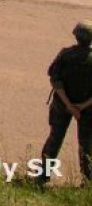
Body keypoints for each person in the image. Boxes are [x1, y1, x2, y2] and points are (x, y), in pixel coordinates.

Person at [38, 21, 92, 184]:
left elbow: (55, 79)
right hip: (88, 109)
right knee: (87, 146)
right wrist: (81, 106)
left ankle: (42, 177)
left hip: (62, 105)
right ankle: (87, 182)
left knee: (54, 139)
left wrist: (69, 105)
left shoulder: (66, 54)